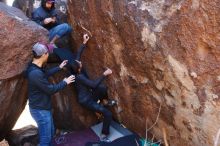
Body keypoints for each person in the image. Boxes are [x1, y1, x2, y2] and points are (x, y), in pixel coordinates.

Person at [26, 42, 75, 146]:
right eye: (48, 52)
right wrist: (65, 82)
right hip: (40, 111)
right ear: (44, 55)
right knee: (45, 141)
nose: (49, 54)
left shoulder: (34, 67)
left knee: (51, 133)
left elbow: (44, 74)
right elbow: (50, 90)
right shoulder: (35, 73)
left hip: (42, 108)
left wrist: (59, 67)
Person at [72, 60, 116, 142]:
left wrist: (83, 47)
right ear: (79, 67)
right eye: (80, 63)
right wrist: (104, 74)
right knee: (108, 114)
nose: (81, 62)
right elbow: (93, 85)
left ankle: (105, 102)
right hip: (86, 101)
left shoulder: (77, 73)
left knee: (102, 88)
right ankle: (104, 135)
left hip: (88, 95)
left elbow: (77, 58)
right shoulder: (79, 77)